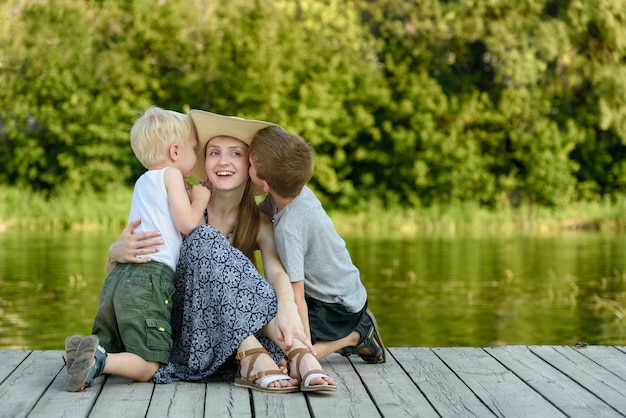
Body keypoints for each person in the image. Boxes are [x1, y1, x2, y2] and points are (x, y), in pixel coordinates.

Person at [102, 110, 337, 392]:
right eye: (214, 152)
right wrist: (115, 251)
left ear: (251, 165)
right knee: (204, 236)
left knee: (265, 283)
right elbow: (124, 275)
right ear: (204, 160)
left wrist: (286, 304)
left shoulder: (259, 221)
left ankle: (295, 353)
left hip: (227, 333)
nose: (223, 161)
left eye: (236, 154)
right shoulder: (180, 202)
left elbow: (275, 271)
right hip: (186, 330)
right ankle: (264, 353)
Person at [65, 106, 212, 392]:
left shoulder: (143, 181)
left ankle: (86, 353)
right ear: (174, 151)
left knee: (112, 342)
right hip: (150, 279)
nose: (197, 156)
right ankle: (98, 360)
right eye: (194, 148)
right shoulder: (171, 176)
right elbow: (187, 223)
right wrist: (201, 199)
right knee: (148, 364)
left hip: (119, 278)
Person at [248, 125, 386, 363]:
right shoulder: (296, 192)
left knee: (284, 353)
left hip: (337, 306)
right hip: (343, 290)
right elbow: (251, 220)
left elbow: (296, 297)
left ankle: (356, 335)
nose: (246, 168)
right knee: (274, 333)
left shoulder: (289, 229)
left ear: (266, 185)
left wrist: (302, 348)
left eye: (250, 165)